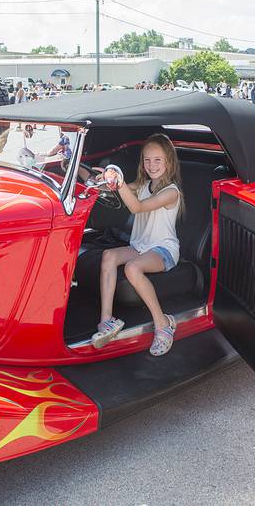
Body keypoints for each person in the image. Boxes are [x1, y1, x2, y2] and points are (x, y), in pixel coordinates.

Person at [92, 133, 183, 357]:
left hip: (163, 250)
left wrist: (119, 182)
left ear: (169, 162)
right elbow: (114, 190)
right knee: (108, 256)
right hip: (141, 245)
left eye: (158, 160)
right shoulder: (143, 183)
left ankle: (163, 324)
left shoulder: (171, 192)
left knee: (132, 268)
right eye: (147, 160)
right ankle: (106, 321)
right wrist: (100, 180)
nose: (151, 165)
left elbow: (137, 207)